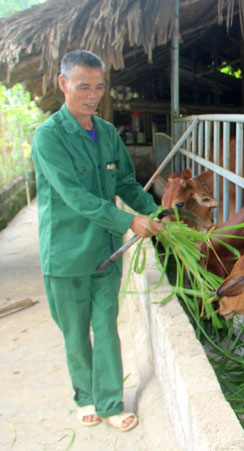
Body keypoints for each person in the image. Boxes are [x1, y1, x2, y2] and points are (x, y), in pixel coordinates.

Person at [31, 50, 162, 432]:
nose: (92, 95)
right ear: (63, 84)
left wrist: (154, 213)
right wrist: (128, 220)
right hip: (67, 253)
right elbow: (76, 197)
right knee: (75, 330)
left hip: (106, 249)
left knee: (105, 325)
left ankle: (108, 400)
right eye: (83, 86)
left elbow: (123, 182)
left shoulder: (106, 133)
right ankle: (84, 396)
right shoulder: (48, 138)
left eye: (99, 87)